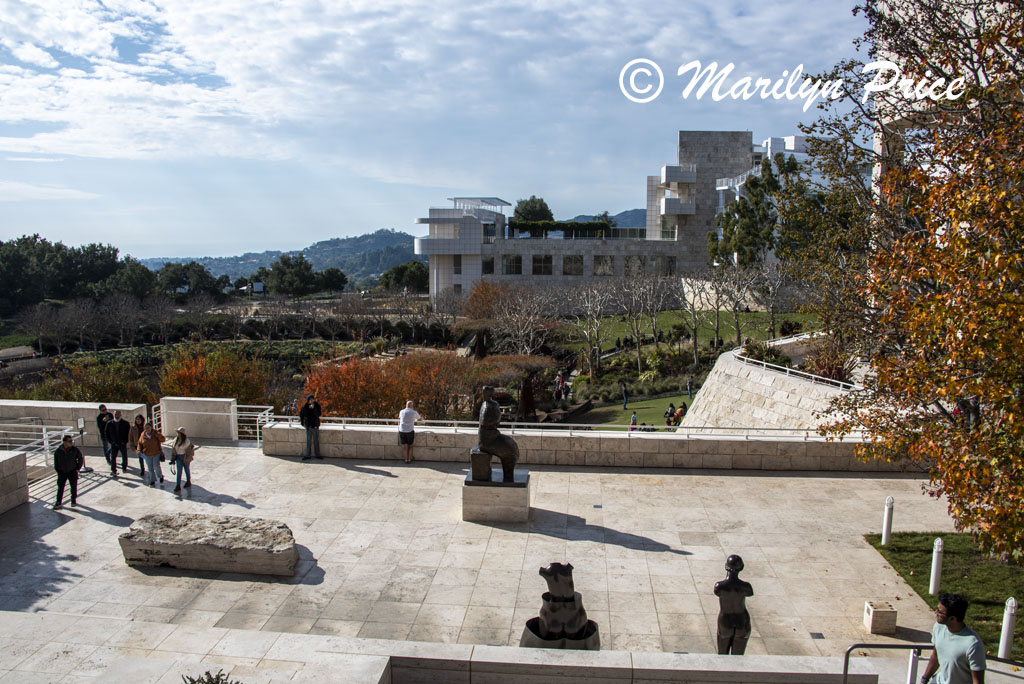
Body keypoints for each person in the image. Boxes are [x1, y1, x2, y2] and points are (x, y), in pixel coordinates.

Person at [921, 593, 986, 684]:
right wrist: (924, 679)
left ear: (952, 618)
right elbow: (936, 655)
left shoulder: (973, 645)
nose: (936, 613)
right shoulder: (939, 627)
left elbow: (977, 681)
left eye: (940, 612)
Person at [714, 554, 754, 655]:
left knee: (722, 654)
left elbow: (717, 592)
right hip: (742, 621)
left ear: (726, 567)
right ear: (741, 568)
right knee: (738, 656)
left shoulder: (719, 587)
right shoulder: (746, 587)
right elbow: (750, 593)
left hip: (725, 621)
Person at [53, 434, 84, 510]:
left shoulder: (75, 450)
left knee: (73, 486)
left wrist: (77, 468)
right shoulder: (58, 451)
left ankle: (73, 500)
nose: (71, 442)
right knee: (60, 487)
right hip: (62, 472)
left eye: (72, 441)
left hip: (72, 471)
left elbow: (80, 459)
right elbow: (56, 463)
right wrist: (58, 471)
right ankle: (58, 502)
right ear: (64, 442)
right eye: (70, 441)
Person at [137, 422, 166, 488]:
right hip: (147, 454)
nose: (147, 429)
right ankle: (152, 480)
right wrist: (138, 450)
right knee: (150, 468)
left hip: (156, 453)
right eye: (145, 428)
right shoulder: (143, 435)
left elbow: (163, 439)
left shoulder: (155, 433)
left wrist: (158, 435)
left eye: (148, 428)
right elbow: (140, 443)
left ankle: (160, 476)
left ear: (151, 427)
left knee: (156, 466)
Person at [105, 410, 132, 476]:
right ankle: (113, 470)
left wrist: (125, 441)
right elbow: (106, 433)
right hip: (114, 443)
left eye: (118, 414)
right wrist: (111, 441)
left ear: (120, 415)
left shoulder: (125, 423)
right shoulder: (109, 423)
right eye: (115, 414)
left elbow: (128, 433)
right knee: (113, 457)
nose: (117, 415)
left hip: (122, 443)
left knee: (124, 455)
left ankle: (124, 467)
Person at [170, 427, 195, 493]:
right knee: (179, 471)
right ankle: (178, 485)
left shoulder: (186, 441)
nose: (177, 434)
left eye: (179, 433)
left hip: (184, 457)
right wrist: (173, 458)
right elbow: (174, 449)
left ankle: (188, 481)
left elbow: (189, 451)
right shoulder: (176, 440)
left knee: (186, 469)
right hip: (178, 457)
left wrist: (188, 458)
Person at [299, 393, 322, 461]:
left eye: (312, 399)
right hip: (308, 426)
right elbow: (302, 415)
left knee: (316, 441)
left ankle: (317, 454)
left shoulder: (317, 405)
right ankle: (308, 455)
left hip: (315, 425)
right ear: (308, 400)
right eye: (310, 400)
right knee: (308, 441)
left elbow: (319, 414)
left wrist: (314, 408)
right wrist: (303, 423)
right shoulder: (305, 407)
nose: (311, 401)